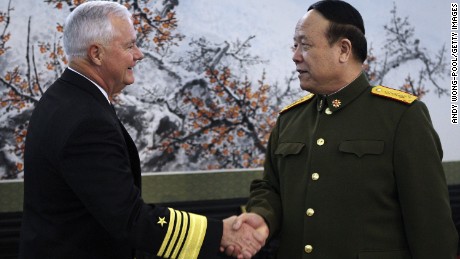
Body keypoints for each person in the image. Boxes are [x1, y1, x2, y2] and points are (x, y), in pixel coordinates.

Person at [18, 2, 266, 259]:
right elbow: (130, 218)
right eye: (129, 46)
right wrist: (218, 234)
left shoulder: (66, 97)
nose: (139, 54)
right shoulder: (86, 120)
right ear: (96, 54)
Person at [229, 0, 459, 258]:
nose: (295, 55)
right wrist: (263, 216)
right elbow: (270, 188)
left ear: (343, 49)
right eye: (295, 45)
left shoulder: (402, 116)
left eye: (305, 45)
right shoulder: (289, 119)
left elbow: (432, 228)